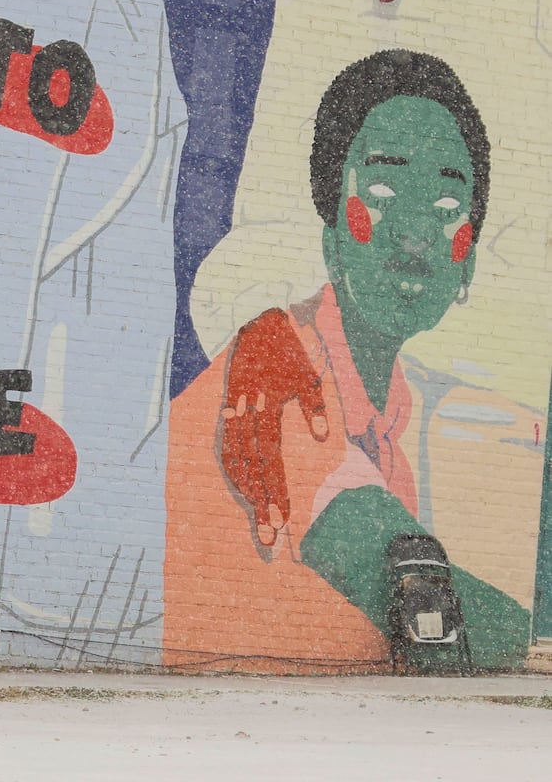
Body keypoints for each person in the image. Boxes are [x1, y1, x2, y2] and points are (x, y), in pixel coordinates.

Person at [164, 49, 527, 670]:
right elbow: (421, 599)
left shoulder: (392, 415)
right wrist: (529, 643)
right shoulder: (282, 372)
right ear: (330, 226)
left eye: (447, 208)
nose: (415, 230)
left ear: (465, 263)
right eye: (383, 190)